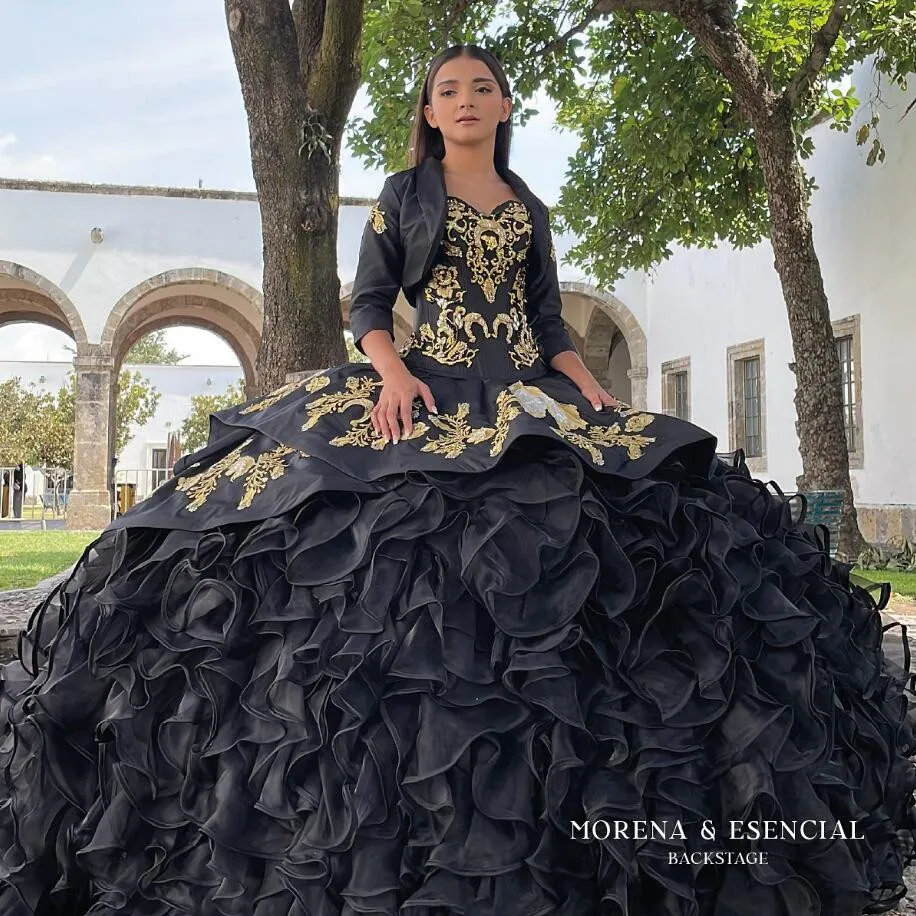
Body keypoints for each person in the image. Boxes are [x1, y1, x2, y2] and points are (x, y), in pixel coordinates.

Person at [0, 43, 913, 916]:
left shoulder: (528, 206)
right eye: (448, 90)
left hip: (524, 392)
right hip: (424, 388)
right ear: (430, 115)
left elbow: (549, 320)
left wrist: (589, 387)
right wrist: (394, 377)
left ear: (505, 107)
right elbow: (367, 305)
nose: (466, 99)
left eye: (482, 87)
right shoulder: (404, 195)